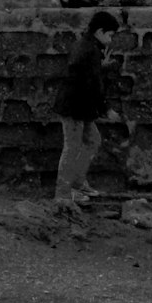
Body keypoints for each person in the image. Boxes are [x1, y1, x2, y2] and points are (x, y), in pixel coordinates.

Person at [53, 11, 121, 204]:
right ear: (100, 31)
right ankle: (64, 193)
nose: (110, 39)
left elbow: (89, 75)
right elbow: (92, 84)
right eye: (110, 35)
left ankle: (77, 182)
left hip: (80, 106)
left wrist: (102, 67)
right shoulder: (89, 50)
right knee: (72, 147)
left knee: (92, 141)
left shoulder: (88, 46)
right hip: (74, 106)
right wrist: (106, 108)